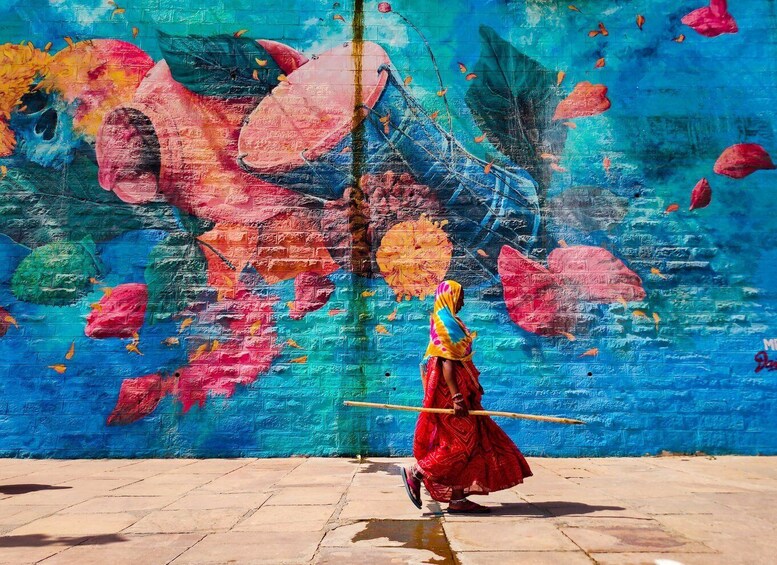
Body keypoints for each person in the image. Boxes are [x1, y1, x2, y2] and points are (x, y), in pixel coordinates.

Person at [401, 280, 532, 514]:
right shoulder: (444, 323)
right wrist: (457, 397)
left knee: (472, 445)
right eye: (459, 296)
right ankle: (418, 472)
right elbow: (447, 362)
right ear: (449, 297)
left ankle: (458, 498)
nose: (462, 301)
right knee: (459, 445)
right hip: (450, 396)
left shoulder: (453, 322)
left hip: (462, 393)